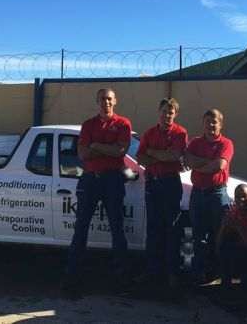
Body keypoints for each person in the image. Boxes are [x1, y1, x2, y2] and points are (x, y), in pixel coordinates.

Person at [62, 87, 132, 290]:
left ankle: (123, 276)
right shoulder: (88, 125)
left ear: (115, 101)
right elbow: (83, 154)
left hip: (113, 180)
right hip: (90, 180)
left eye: (109, 99)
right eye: (103, 99)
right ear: (97, 101)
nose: (106, 102)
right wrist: (108, 148)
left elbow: (120, 151)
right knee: (81, 227)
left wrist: (96, 145)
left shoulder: (123, 123)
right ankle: (71, 275)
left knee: (117, 227)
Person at [136, 98, 188, 288]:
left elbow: (173, 156)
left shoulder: (180, 132)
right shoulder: (149, 133)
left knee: (172, 228)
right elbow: (140, 158)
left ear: (175, 114)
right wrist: (161, 155)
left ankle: (172, 272)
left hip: (170, 183)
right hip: (153, 184)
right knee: (153, 229)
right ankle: (152, 271)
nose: (167, 115)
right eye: (164, 111)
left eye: (171, 112)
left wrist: (152, 152)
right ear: (159, 111)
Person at [183, 109, 234, 285]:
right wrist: (208, 163)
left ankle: (222, 275)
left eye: (214, 122)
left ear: (221, 124)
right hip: (198, 193)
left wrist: (199, 165)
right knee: (199, 236)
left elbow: (219, 166)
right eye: (208, 122)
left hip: (216, 194)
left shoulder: (226, 143)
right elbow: (187, 160)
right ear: (203, 123)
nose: (211, 125)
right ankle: (199, 274)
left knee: (220, 234)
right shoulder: (195, 142)